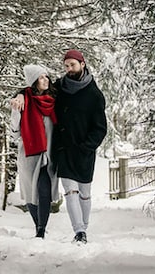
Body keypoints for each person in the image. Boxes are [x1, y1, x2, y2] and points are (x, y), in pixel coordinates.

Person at [11, 50, 107, 244]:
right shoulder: (61, 87)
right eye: (66, 66)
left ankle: (84, 226)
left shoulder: (94, 94)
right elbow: (36, 87)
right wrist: (19, 95)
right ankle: (79, 231)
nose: (69, 69)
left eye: (72, 65)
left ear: (82, 63)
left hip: (84, 151)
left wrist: (87, 147)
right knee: (70, 190)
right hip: (62, 150)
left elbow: (100, 128)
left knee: (85, 193)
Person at [9, 64, 59, 239]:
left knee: (44, 191)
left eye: (46, 76)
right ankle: (37, 225)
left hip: (50, 155)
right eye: (41, 77)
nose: (45, 80)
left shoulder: (54, 99)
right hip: (29, 154)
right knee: (31, 194)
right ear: (33, 81)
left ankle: (41, 230)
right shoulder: (22, 101)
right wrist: (16, 111)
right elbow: (14, 131)